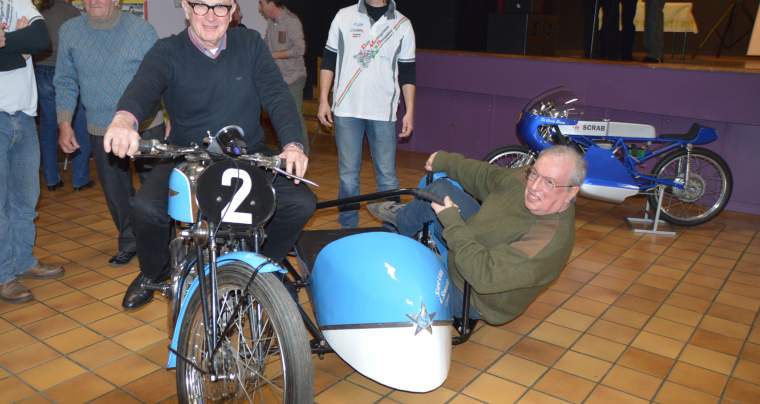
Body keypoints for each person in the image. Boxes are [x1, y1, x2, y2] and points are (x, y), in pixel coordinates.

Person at [103, 0, 316, 310]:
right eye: (201, 6)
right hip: (185, 154)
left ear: (231, 12)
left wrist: (293, 144)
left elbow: (277, 95)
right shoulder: (168, 51)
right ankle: (153, 273)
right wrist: (124, 120)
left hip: (246, 153)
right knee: (147, 209)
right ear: (187, 9)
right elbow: (143, 89)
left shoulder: (250, 44)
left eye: (220, 7)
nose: (211, 16)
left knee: (300, 203)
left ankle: (259, 270)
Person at [368, 146, 585, 325]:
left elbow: (483, 276)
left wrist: (451, 221)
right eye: (534, 174)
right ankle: (400, 226)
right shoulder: (526, 180)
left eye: (549, 182)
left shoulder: (548, 242)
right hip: (474, 242)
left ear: (572, 192)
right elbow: (487, 175)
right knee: (440, 190)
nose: (534, 186)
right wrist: (445, 160)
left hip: (473, 294)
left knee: (400, 280)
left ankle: (395, 250)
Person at [55, 0, 160, 267]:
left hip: (147, 124)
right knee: (116, 193)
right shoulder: (70, 31)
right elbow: (66, 80)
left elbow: (161, 76)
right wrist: (65, 122)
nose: (94, 1)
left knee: (155, 190)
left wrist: (169, 115)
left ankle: (160, 240)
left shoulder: (142, 30)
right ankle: (129, 241)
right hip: (101, 127)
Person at [317, 0, 416, 228]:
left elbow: (408, 72)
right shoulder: (343, 16)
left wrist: (410, 110)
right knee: (348, 177)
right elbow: (329, 59)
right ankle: (347, 230)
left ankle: (392, 230)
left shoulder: (402, 24)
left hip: (384, 111)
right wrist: (324, 99)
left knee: (387, 177)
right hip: (346, 109)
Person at [1, 0, 65, 304]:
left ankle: (22, 260)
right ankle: (3, 275)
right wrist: (18, 43)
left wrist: (6, 42)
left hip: (25, 116)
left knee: (25, 200)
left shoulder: (20, 2)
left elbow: (41, 41)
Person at [34, 0, 92, 192]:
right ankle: (80, 179)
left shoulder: (38, 11)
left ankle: (52, 179)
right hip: (68, 74)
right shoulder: (73, 13)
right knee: (79, 126)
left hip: (42, 71)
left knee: (49, 127)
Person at [259, 0, 308, 151]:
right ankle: (286, 152)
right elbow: (266, 46)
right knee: (279, 116)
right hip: (277, 79)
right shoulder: (271, 23)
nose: (259, 7)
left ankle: (302, 154)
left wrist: (273, 55)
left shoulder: (291, 21)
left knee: (295, 118)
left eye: (261, 3)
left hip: (293, 78)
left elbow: (300, 50)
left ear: (271, 3)